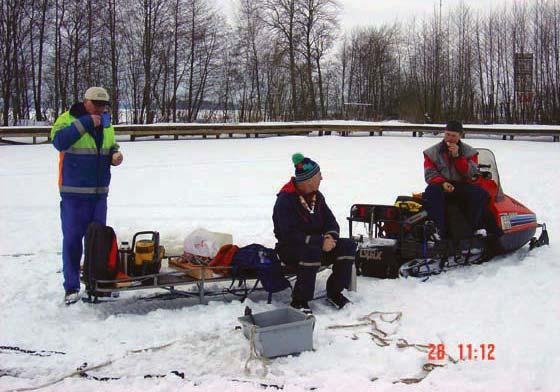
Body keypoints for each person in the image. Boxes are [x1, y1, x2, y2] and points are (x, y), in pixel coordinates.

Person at [51, 87, 123, 305]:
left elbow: (110, 145)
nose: (100, 109)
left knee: (98, 242)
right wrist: (86, 123)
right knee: (73, 241)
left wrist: (115, 154)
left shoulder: (106, 122)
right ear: (86, 102)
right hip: (74, 193)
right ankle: (71, 287)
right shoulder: (67, 119)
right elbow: (59, 142)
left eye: (104, 105)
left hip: (99, 193)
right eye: (96, 104)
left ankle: (97, 282)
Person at [272, 153, 356, 313]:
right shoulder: (286, 200)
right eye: (319, 175)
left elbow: (331, 222)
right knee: (311, 251)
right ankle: (299, 301)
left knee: (348, 245)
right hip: (291, 249)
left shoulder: (318, 197)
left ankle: (334, 292)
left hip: (319, 246)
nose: (322, 178)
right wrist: (319, 242)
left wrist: (330, 237)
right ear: (309, 180)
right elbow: (289, 234)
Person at [423, 120, 490, 239]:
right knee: (431, 191)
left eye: (453, 135)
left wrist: (458, 157)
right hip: (440, 184)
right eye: (447, 134)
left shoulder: (470, 152)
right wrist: (443, 183)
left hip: (461, 185)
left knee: (481, 194)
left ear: (460, 135)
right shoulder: (432, 152)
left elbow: (471, 174)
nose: (450, 138)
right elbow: (429, 174)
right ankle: (437, 230)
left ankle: (474, 227)